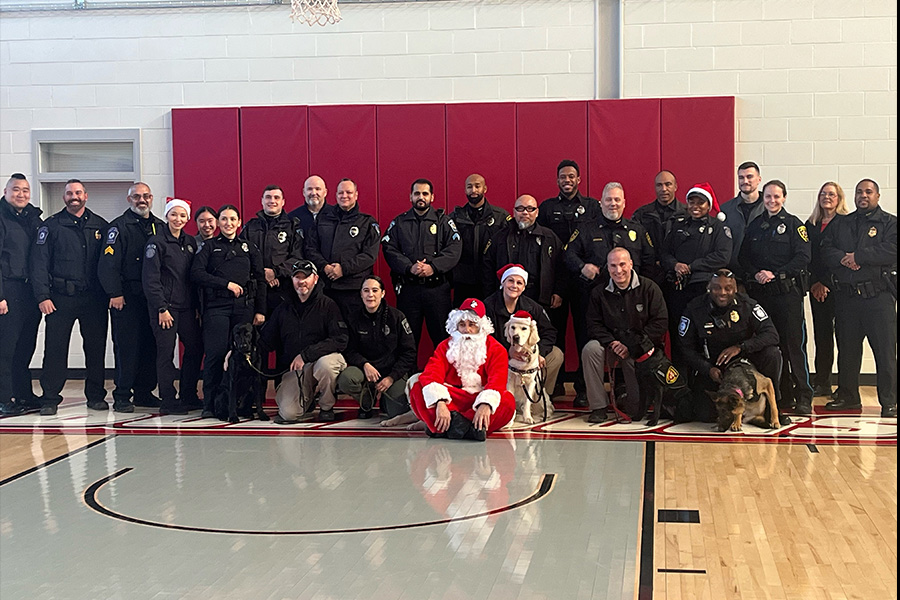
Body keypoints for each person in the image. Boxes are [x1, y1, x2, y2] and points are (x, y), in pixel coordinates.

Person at [30, 180, 109, 416]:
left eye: (77, 192)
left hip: (94, 299)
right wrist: (43, 296)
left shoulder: (101, 226)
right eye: (69, 193)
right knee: (54, 349)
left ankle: (95, 396)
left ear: (86, 195)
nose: (73, 196)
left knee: (96, 349)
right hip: (59, 298)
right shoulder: (50, 226)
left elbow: (108, 265)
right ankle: (50, 398)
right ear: (64, 198)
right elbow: (39, 265)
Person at [821, 178, 897, 418]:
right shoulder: (841, 223)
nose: (863, 195)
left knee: (884, 352)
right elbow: (825, 249)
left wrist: (859, 257)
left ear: (877, 195)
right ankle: (848, 396)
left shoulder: (890, 223)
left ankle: (889, 402)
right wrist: (845, 257)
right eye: (859, 192)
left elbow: (891, 249)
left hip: (878, 298)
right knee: (847, 350)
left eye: (868, 192)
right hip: (847, 299)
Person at [738, 179, 813, 413]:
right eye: (768, 197)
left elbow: (803, 257)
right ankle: (782, 394)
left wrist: (777, 273)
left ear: (784, 198)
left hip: (786, 294)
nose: (772, 201)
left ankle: (803, 395)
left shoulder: (794, 225)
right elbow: (743, 257)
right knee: (770, 345)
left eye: (776, 196)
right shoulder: (755, 226)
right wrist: (756, 273)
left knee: (793, 346)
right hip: (761, 295)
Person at [676, 269, 786, 424]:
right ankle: (740, 412)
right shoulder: (695, 308)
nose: (722, 293)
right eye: (716, 288)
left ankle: (772, 408)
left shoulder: (748, 305)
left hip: (746, 362)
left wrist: (741, 347)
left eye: (727, 288)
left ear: (735, 289)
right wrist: (707, 369)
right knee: (704, 415)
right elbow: (685, 347)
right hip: (715, 366)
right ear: (709, 287)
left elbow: (772, 335)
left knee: (773, 353)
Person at [191, 204, 266, 419]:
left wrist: (260, 310)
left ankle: (244, 403)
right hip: (217, 308)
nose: (228, 223)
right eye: (224, 219)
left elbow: (260, 280)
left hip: (244, 308)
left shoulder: (249, 248)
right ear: (218, 223)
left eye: (233, 219)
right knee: (215, 354)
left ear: (239, 222)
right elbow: (196, 273)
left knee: (244, 357)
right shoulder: (208, 247)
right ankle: (210, 403)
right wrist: (226, 284)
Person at [538, 160, 601, 406]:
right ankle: (555, 385)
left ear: (579, 179)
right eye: (563, 177)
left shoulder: (592, 206)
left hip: (585, 281)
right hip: (556, 280)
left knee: (586, 333)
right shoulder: (547, 208)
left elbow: (598, 242)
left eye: (571, 177)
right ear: (557, 180)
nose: (567, 180)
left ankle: (584, 387)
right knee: (555, 333)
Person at [98, 182, 165, 412]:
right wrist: (114, 292)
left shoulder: (160, 226)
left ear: (152, 198)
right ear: (129, 200)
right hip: (126, 298)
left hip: (152, 298)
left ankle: (145, 392)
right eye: (136, 197)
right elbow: (108, 264)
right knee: (127, 347)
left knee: (150, 346)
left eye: (146, 196)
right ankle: (123, 395)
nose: (141, 200)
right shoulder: (118, 228)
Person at [407, 298, 516, 440]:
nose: (467, 330)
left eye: (472, 325)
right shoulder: (445, 346)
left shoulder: (496, 349)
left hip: (479, 397)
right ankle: (470, 429)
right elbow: (431, 374)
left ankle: (444, 427)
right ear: (456, 326)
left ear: (481, 326)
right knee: (417, 388)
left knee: (507, 402)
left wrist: (485, 404)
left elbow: (497, 381)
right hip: (452, 399)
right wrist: (440, 402)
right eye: (462, 325)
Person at [580, 248, 668, 423]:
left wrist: (632, 346)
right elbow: (593, 324)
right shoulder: (599, 292)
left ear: (631, 264)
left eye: (622, 264)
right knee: (590, 350)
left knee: (635, 410)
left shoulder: (649, 288)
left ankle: (631, 401)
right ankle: (598, 406)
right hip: (610, 345)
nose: (618, 270)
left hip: (639, 350)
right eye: (613, 266)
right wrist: (612, 342)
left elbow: (660, 322)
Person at [257, 260, 348, 423]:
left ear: (315, 278)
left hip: (321, 361)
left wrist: (305, 355)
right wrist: (237, 350)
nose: (301, 281)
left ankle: (327, 407)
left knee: (326, 366)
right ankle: (308, 400)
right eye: (297, 277)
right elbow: (266, 341)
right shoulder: (283, 309)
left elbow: (340, 340)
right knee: (288, 414)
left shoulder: (328, 305)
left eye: (305, 277)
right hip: (296, 370)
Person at [381, 178, 461, 349]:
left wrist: (433, 267)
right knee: (407, 340)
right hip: (409, 290)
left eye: (425, 193)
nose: (421, 197)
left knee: (443, 339)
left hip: (437, 291)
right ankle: (407, 375)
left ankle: (443, 375)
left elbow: (455, 248)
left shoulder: (444, 222)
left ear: (432, 197)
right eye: (417, 193)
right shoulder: (400, 222)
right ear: (410, 196)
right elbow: (388, 247)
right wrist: (409, 267)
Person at [141, 198, 203, 415]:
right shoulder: (156, 243)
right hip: (165, 309)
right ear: (167, 216)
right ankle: (168, 399)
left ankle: (188, 394)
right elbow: (151, 280)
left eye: (183, 215)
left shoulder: (190, 242)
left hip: (186, 308)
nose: (178, 219)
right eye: (174, 214)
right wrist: (161, 308)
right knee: (166, 353)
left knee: (195, 348)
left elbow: (192, 278)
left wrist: (196, 306)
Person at [660, 182, 732, 361]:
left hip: (703, 289)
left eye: (700, 203)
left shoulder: (718, 228)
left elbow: (722, 257)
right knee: (679, 332)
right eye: (692, 202)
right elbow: (664, 253)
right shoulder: (678, 225)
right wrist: (675, 264)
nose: (695, 206)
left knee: (703, 333)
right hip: (677, 289)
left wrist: (692, 266)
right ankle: (679, 382)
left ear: (708, 205)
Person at [337, 275, 416, 420]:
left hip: (392, 372)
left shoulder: (397, 317)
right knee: (346, 379)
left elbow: (409, 352)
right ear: (361, 294)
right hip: (366, 371)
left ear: (383, 293)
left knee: (395, 412)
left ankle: (386, 399)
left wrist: (391, 378)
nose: (370, 295)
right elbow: (349, 350)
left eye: (375, 290)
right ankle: (367, 399)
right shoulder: (353, 318)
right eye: (366, 291)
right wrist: (364, 364)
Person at [483, 263, 564, 398]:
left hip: (528, 355)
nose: (514, 285)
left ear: (524, 287)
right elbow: (484, 338)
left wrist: (540, 353)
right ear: (503, 282)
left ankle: (538, 396)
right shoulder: (488, 306)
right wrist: (506, 351)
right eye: (510, 281)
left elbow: (549, 332)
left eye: (519, 283)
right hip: (499, 356)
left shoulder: (533, 307)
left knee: (556, 355)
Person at [305, 178, 380, 318]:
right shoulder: (322, 220)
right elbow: (310, 249)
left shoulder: (367, 222)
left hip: (353, 290)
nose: (344, 196)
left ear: (356, 195)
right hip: (326, 288)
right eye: (340, 193)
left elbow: (369, 256)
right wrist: (325, 267)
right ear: (335, 195)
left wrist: (343, 269)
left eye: (349, 192)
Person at [0, 173, 43, 415]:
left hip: (29, 291)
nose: (21, 194)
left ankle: (23, 394)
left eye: (25, 190)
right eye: (16, 190)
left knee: (25, 346)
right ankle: (3, 398)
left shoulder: (32, 219)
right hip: (8, 289)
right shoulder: (1, 218)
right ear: (6, 192)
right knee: (5, 348)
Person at [805, 182, 850, 398]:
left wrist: (826, 283)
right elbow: (807, 258)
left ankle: (845, 385)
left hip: (840, 289)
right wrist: (815, 283)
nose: (827, 197)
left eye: (831, 194)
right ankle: (822, 382)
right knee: (822, 337)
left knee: (844, 337)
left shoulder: (847, 223)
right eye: (823, 193)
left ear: (839, 198)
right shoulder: (810, 224)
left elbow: (844, 257)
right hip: (816, 290)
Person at [482, 194, 562, 311]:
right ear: (514, 212)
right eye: (520, 209)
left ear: (537, 212)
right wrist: (490, 296)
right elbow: (487, 268)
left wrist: (559, 291)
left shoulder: (549, 237)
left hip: (539, 298)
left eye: (530, 209)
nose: (525, 212)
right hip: (506, 298)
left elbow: (561, 266)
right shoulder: (500, 237)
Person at [240, 185, 305, 317]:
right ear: (262, 200)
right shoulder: (250, 226)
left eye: (276, 197)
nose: (272, 201)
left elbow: (297, 257)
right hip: (255, 290)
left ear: (283, 202)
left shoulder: (292, 226)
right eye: (268, 197)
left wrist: (276, 273)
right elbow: (241, 256)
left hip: (283, 289)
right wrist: (261, 274)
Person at [448, 174, 509, 301]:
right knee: (462, 319)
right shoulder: (454, 218)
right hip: (463, 281)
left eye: (477, 186)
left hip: (490, 280)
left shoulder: (500, 217)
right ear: (465, 190)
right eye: (469, 187)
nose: (473, 190)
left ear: (485, 189)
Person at [719, 162, 765, 271]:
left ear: (759, 179)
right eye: (741, 177)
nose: (745, 181)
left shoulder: (768, 208)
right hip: (733, 272)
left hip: (761, 273)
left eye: (749, 177)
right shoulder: (725, 210)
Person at [631, 170, 687, 251]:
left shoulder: (687, 214)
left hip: (677, 262)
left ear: (675, 187)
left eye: (668, 184)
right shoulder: (641, 214)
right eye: (659, 185)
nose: (664, 189)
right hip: (650, 262)